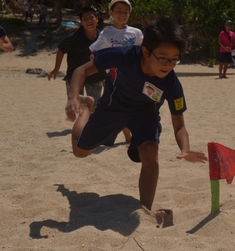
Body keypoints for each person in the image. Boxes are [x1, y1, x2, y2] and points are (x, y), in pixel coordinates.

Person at [65, 17, 208, 225]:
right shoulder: (125, 55)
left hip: (144, 116)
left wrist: (185, 149)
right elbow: (81, 70)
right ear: (146, 51)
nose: (168, 65)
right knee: (80, 152)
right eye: (163, 58)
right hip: (112, 109)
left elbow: (179, 126)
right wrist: (73, 97)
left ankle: (145, 210)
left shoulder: (172, 84)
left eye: (174, 59)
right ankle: (87, 109)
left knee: (151, 150)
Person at [89, 0, 144, 145]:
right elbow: (95, 54)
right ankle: (116, 135)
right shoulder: (106, 34)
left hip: (133, 79)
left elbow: (145, 53)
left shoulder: (136, 33)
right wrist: (103, 74)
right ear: (111, 13)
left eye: (126, 11)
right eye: (118, 10)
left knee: (132, 107)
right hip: (113, 78)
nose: (122, 14)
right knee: (115, 107)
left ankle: (129, 136)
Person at [48, 7, 106, 107]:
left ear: (97, 19)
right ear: (81, 22)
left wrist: (105, 77)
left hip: (95, 76)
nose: (89, 21)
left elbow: (106, 57)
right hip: (75, 76)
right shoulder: (74, 37)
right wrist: (56, 69)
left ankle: (88, 122)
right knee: (76, 106)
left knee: (94, 107)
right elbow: (61, 50)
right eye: (85, 19)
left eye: (91, 18)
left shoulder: (103, 37)